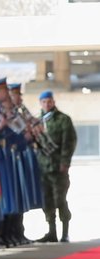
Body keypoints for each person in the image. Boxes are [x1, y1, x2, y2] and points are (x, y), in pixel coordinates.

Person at [35, 90, 77, 243]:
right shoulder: (37, 121)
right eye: (44, 102)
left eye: (49, 101)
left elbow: (69, 141)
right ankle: (51, 231)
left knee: (60, 200)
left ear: (53, 102)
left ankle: (65, 232)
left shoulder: (63, 120)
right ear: (40, 103)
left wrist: (65, 162)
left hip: (58, 167)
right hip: (43, 167)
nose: (47, 104)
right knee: (47, 201)